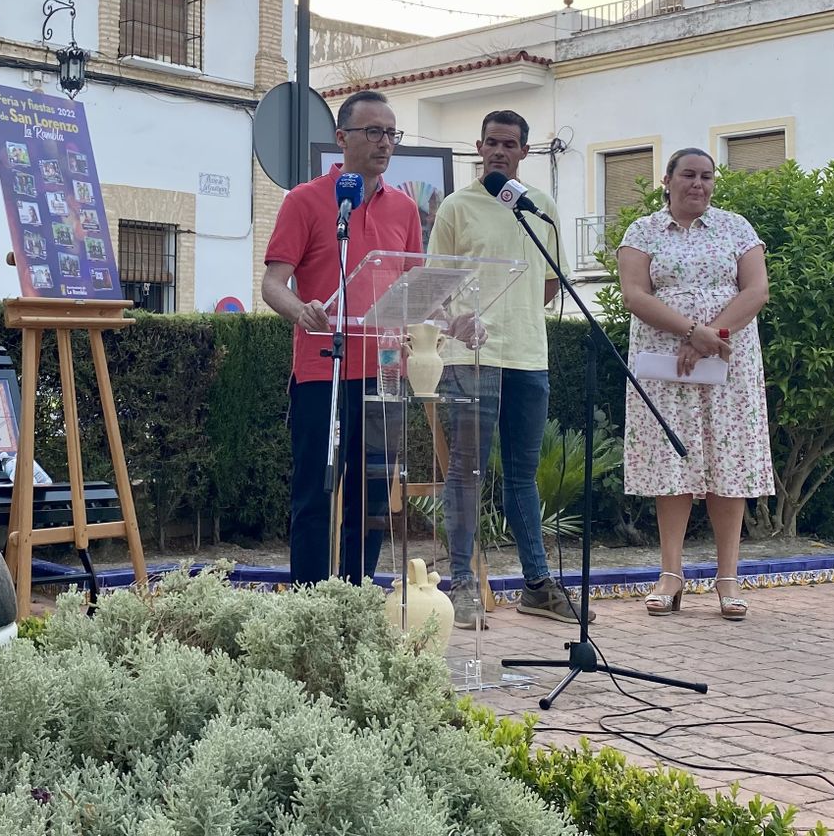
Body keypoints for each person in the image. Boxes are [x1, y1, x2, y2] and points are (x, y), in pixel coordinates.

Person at [427, 109, 589, 628]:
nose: (499, 151)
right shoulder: (456, 207)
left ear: (525, 150)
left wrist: (510, 315)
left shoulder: (539, 207)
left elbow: (550, 283)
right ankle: (461, 585)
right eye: (491, 143)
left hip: (527, 356)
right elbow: (434, 287)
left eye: (509, 144)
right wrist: (460, 321)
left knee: (522, 475)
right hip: (470, 359)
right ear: (479, 147)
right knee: (466, 471)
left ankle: (537, 586)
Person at [262, 90, 422, 584]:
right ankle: (311, 603)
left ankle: (356, 597)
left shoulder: (405, 209)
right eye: (373, 132)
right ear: (341, 138)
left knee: (371, 500)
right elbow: (273, 284)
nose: (384, 143)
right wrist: (301, 310)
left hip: (385, 373)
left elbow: (414, 286)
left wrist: (446, 321)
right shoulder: (304, 200)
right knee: (315, 494)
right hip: (322, 371)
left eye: (391, 133)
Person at [617, 148, 771, 621]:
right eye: (688, 174)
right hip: (667, 362)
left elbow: (756, 290)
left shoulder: (736, 227)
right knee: (673, 460)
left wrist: (710, 337)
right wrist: (690, 332)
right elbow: (634, 293)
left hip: (727, 360)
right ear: (667, 180)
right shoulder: (642, 231)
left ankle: (728, 579)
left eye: (706, 176)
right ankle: (671, 575)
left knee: (728, 460)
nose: (698, 184)